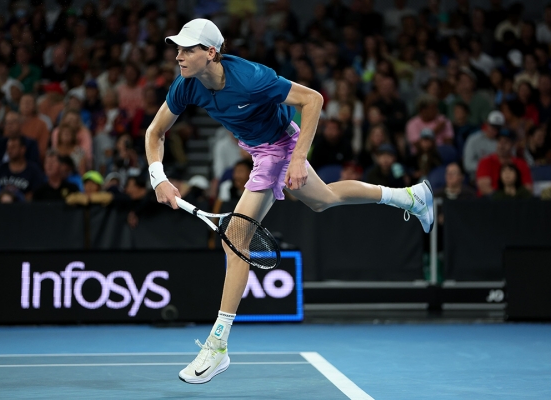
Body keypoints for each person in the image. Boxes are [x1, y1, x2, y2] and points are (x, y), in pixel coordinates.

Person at [145, 19, 433, 385]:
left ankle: (218, 345)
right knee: (324, 199)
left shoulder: (251, 77)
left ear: (211, 52)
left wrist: (298, 158)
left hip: (280, 147)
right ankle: (409, 197)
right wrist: (159, 177)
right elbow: (155, 132)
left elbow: (313, 99)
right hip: (257, 149)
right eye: (178, 48)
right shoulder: (186, 86)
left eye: (188, 49)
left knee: (236, 240)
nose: (178, 56)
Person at [476, 129, 533, 196]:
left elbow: (528, 188)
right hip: (490, 199)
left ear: (513, 144)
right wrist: (502, 198)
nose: (501, 145)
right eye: (499, 141)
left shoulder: (521, 163)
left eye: (506, 142)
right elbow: (484, 187)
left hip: (516, 199)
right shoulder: (485, 161)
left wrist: (512, 198)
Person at [0, 136, 45, 201]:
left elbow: (37, 193)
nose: (10, 150)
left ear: (22, 149)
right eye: (8, 147)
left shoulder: (33, 170)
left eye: (13, 147)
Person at [463, 110, 505, 180]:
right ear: (487, 124)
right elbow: (468, 164)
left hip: (500, 177)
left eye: (498, 129)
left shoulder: (503, 142)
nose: (494, 131)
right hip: (478, 177)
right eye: (492, 127)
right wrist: (487, 168)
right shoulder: (473, 139)